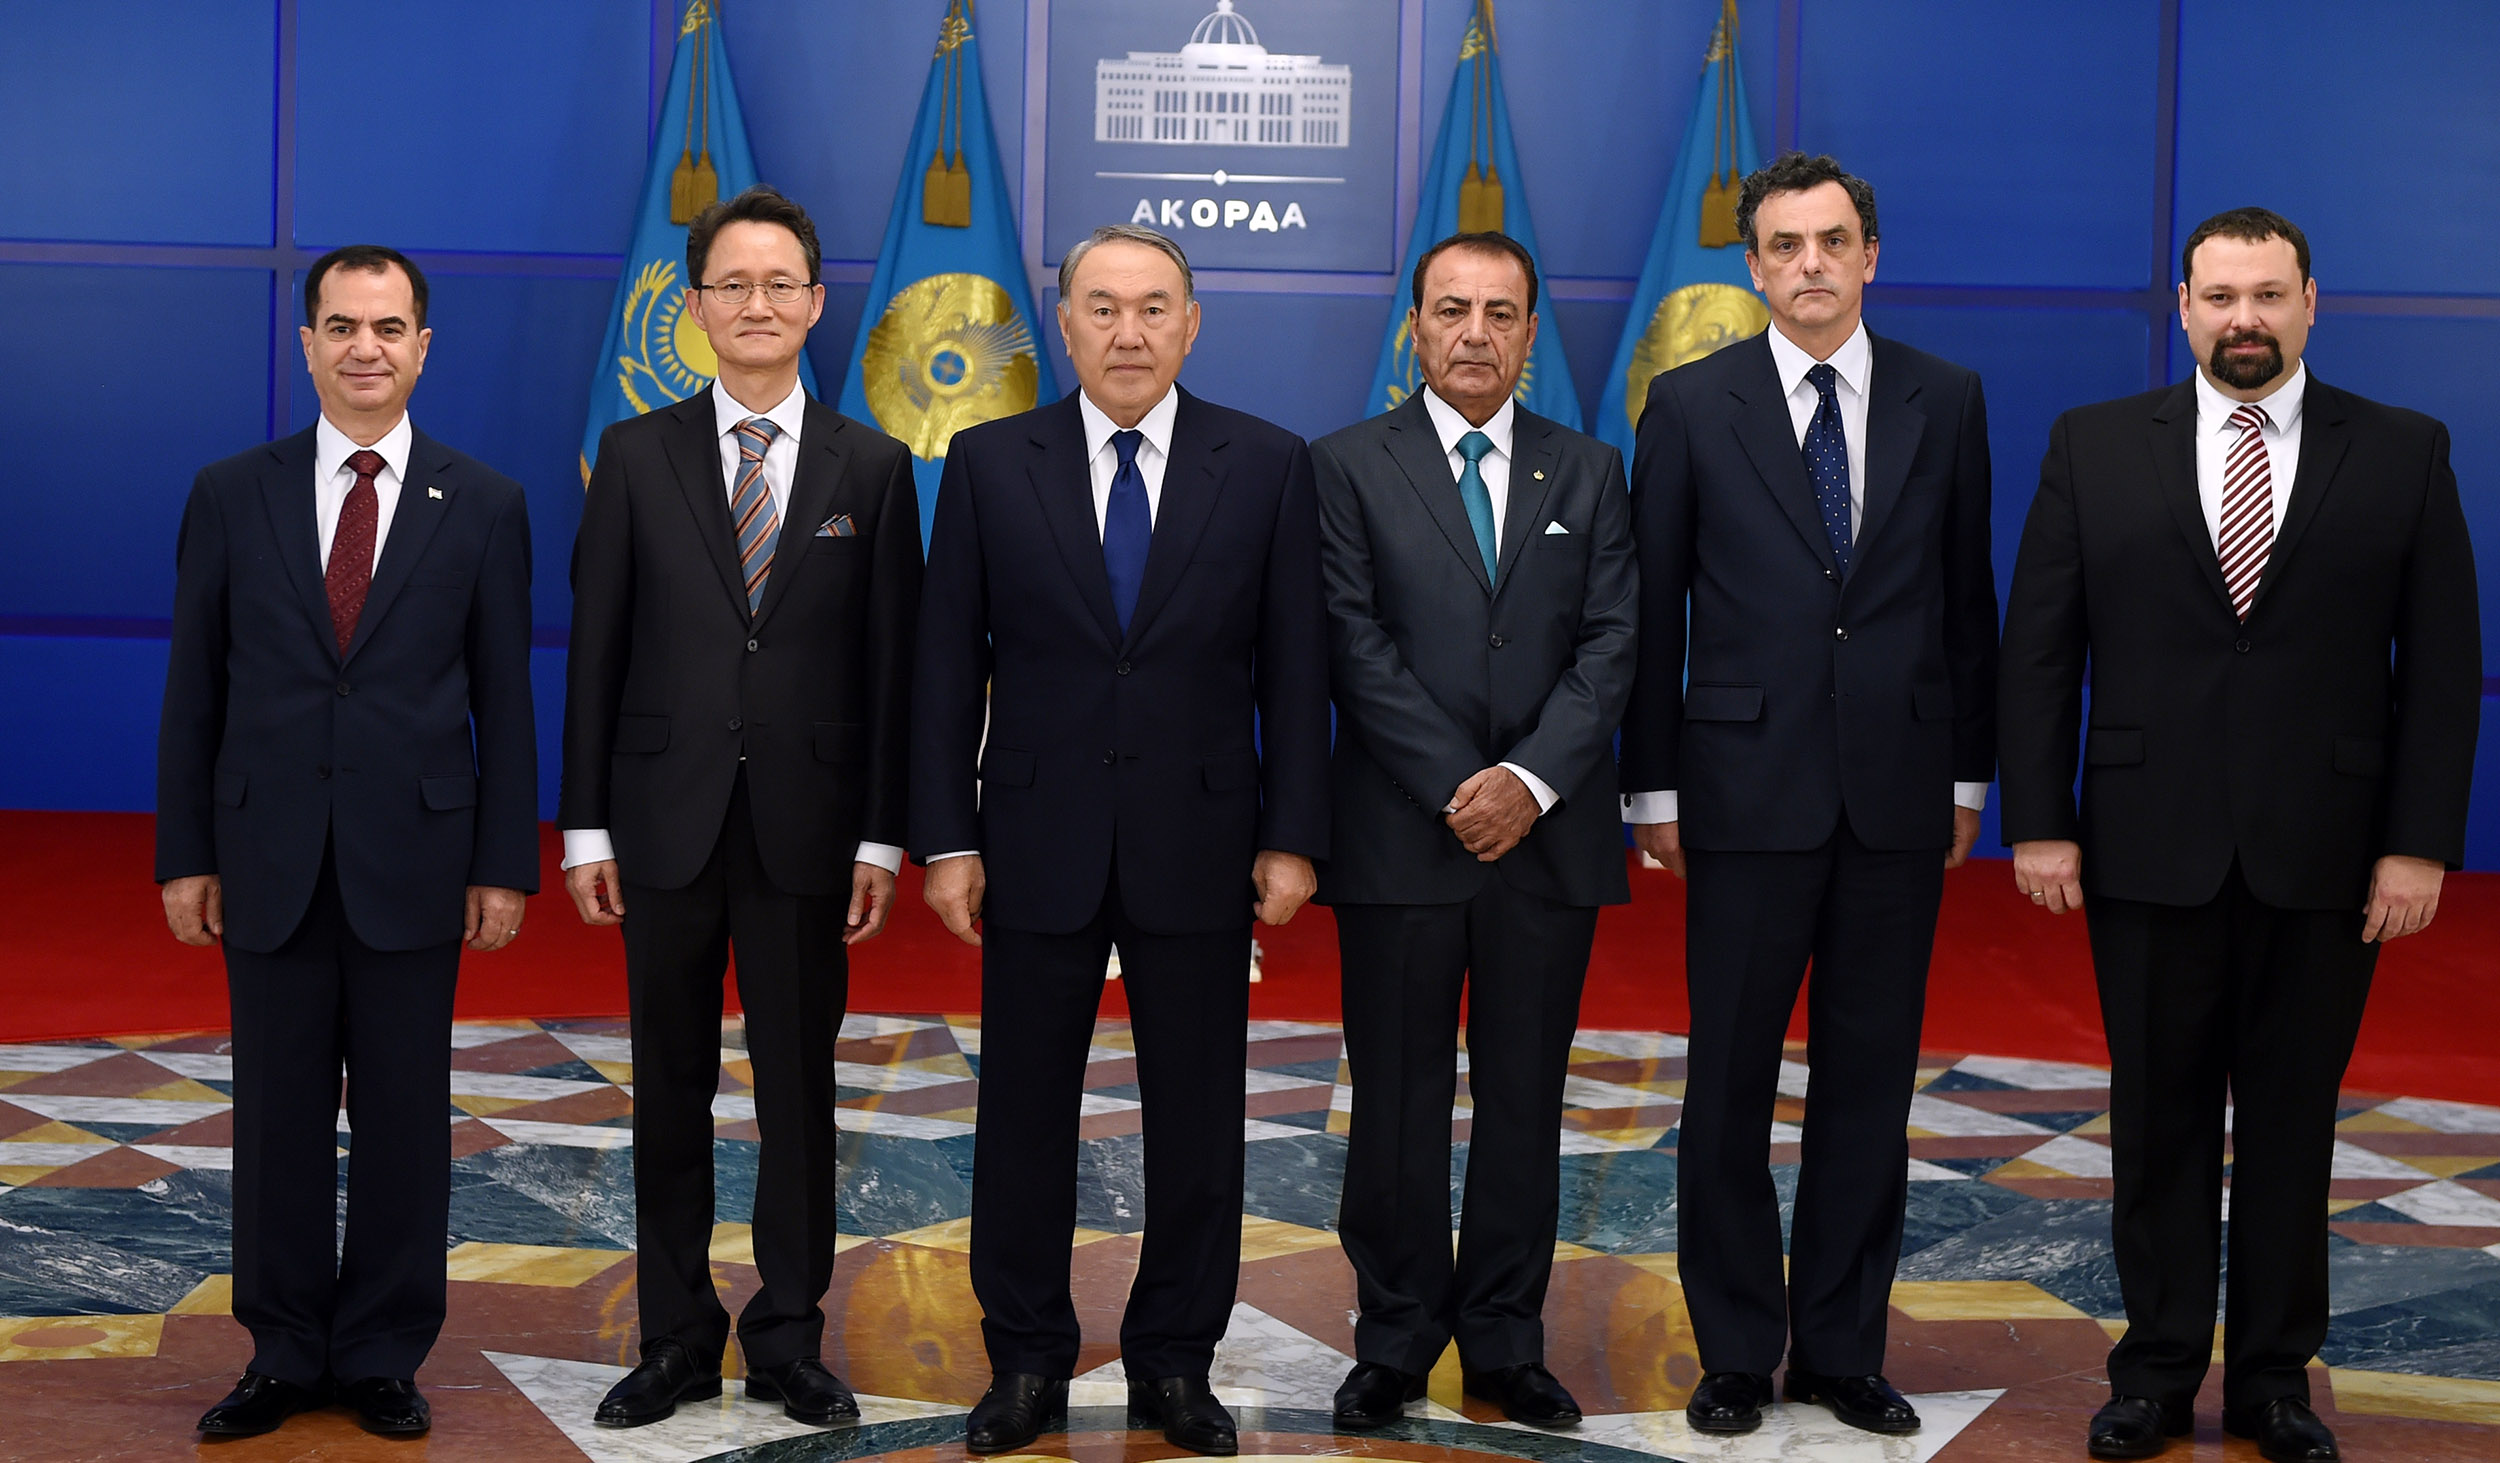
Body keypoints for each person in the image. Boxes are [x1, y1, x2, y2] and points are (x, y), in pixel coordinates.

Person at [2000, 207, 2479, 1463]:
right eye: (2219, 297)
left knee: (2290, 1125)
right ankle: (2154, 1373)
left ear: (2312, 301)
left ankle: (2274, 1381)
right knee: (2155, 1121)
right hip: (2143, 844)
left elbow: (2440, 666)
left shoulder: (2404, 449)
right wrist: (2038, 820)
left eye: (2267, 294)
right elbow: (2039, 650)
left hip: (2327, 853)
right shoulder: (2094, 444)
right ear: (2182, 308)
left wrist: (2417, 842)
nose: (2244, 319)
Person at [911, 223, 1329, 1458]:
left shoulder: (1267, 462)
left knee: (1196, 1119)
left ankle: (1175, 1361)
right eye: (1102, 307)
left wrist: (1293, 835)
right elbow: (947, 664)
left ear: (1191, 325)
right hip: (1033, 835)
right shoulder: (989, 460)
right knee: (1022, 1115)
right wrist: (946, 837)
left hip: (1201, 837)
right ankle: (1025, 1358)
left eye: (1154, 308)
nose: (1128, 331)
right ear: (1064, 324)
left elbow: (1295, 670)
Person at [1619, 152, 1998, 1438]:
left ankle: (1842, 1345)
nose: (1810, 264)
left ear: (1870, 255)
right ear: (1753, 265)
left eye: (1833, 240)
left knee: (1868, 1084)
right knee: (1725, 1083)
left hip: (1897, 792)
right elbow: (1650, 608)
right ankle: (1734, 1348)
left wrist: (1966, 772)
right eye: (1784, 245)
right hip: (1738, 792)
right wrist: (1650, 785)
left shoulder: (1947, 397)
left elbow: (1965, 602)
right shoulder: (1688, 403)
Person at [156, 245, 538, 1440]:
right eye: (340, 325)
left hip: (416, 857)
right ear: (306, 343)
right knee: (273, 1114)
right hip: (265, 854)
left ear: (424, 345)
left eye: (387, 326)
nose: (364, 347)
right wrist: (185, 851)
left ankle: (379, 1350)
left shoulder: (486, 501)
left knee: (405, 1116)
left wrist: (502, 861)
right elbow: (193, 688)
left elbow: (505, 698)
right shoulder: (232, 492)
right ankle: (280, 1350)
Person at [559, 185, 923, 1429]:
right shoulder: (634, 454)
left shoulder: (874, 466)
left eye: (780, 284)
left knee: (797, 1091)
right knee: (667, 1087)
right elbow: (596, 652)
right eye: (732, 285)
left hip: (810, 828)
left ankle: (787, 1334)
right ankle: (672, 1334)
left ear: (816, 304)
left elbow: (893, 667)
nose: (756, 304)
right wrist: (586, 825)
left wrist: (883, 831)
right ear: (697, 305)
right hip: (662, 819)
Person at [1310, 232, 1638, 1432]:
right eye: (1451, 309)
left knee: (1523, 1100)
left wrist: (1529, 781)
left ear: (1531, 334)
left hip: (1544, 843)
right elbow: (1350, 640)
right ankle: (1394, 1336)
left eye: (1500, 313)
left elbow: (1613, 640)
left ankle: (1505, 1337)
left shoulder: (1589, 469)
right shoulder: (1345, 465)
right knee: (1394, 1103)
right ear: (1414, 327)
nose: (1473, 333)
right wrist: (1464, 784)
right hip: (1402, 837)